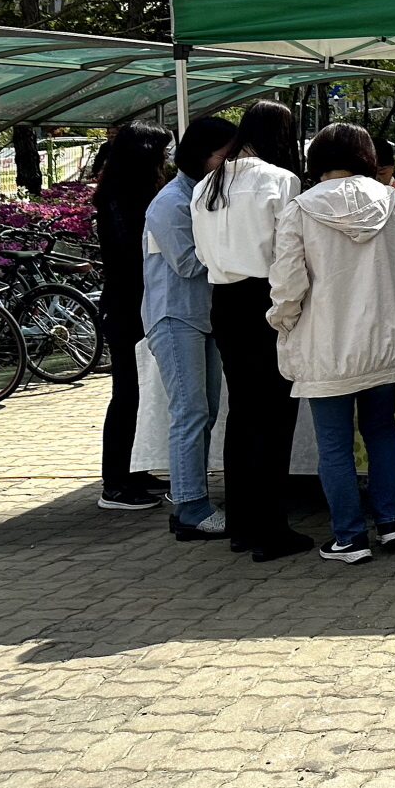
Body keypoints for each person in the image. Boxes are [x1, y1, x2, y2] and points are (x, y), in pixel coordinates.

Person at [269, 124, 395, 565]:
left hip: (326, 345)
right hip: (383, 340)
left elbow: (287, 284)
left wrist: (282, 323)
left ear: (316, 160)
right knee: (382, 430)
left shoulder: (300, 209)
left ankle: (350, 538)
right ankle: (390, 523)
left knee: (334, 444)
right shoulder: (389, 200)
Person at [191, 101, 309, 562]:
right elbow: (289, 255)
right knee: (275, 416)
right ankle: (271, 529)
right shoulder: (281, 180)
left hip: (224, 300)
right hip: (266, 299)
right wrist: (289, 310)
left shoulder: (206, 185)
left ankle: (242, 524)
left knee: (242, 414)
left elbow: (203, 255)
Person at [143, 114, 238, 540]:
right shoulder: (170, 202)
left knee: (207, 411)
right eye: (223, 156)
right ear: (201, 155)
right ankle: (190, 506)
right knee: (190, 412)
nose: (229, 165)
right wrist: (238, 249)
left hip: (203, 318)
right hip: (175, 317)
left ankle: (192, 499)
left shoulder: (203, 194)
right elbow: (185, 263)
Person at [94, 122, 174, 512]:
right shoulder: (122, 197)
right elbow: (132, 256)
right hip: (127, 305)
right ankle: (114, 483)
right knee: (127, 393)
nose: (166, 159)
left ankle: (134, 469)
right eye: (162, 152)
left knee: (140, 390)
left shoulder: (128, 192)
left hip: (133, 301)